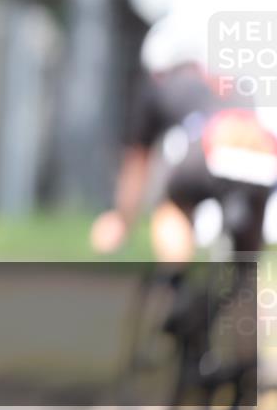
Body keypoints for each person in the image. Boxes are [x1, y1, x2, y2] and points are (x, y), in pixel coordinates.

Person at [90, 14, 277, 260]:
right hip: (264, 154)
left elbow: (137, 163)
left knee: (171, 202)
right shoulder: (230, 80)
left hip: (211, 145)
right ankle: (244, 289)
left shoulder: (158, 84)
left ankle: (173, 277)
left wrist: (122, 220)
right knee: (243, 269)